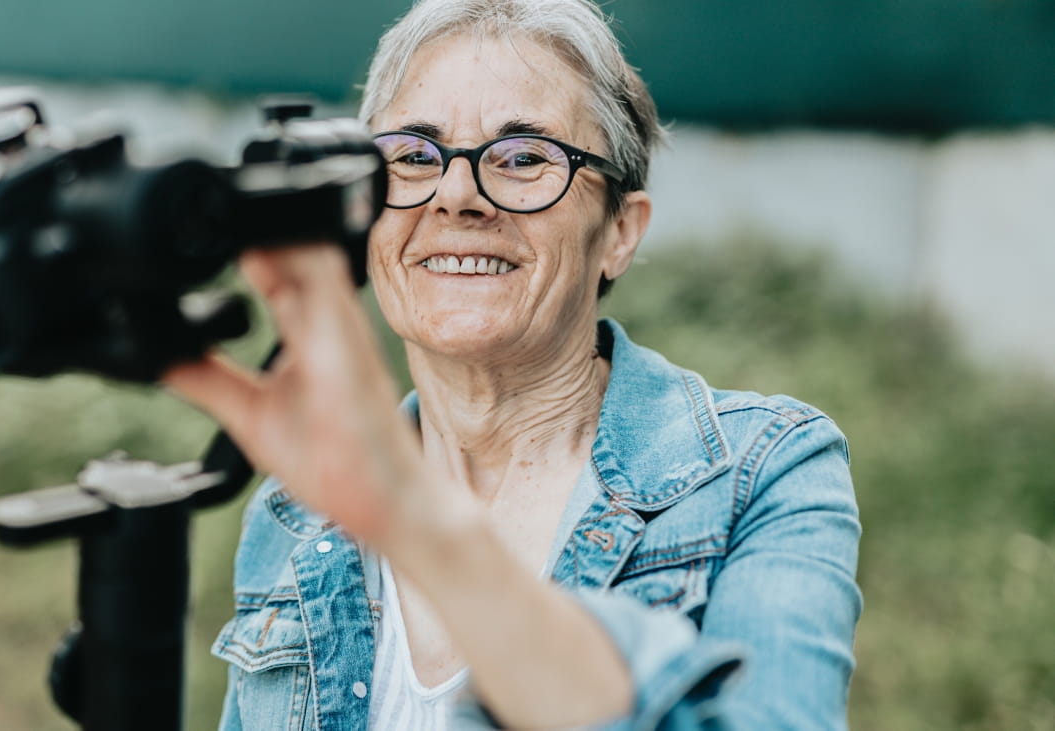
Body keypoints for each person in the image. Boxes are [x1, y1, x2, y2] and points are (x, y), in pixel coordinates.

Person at [164, 0, 862, 728]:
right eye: (413, 156)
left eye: (524, 157)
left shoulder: (762, 472)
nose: (457, 197)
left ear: (620, 232)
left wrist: (411, 511)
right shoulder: (296, 511)